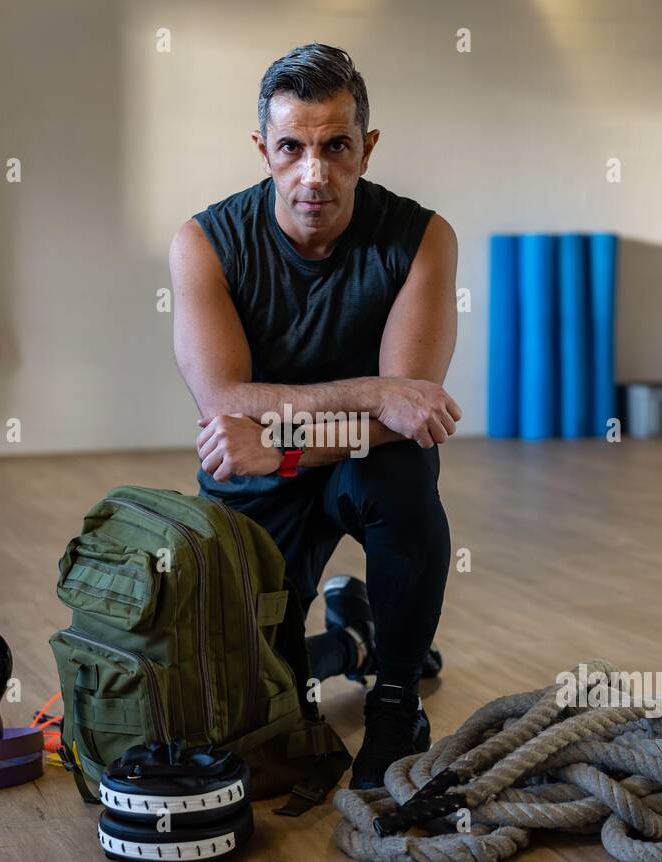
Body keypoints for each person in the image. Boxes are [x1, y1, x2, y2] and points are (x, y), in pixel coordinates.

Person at [169, 42, 460, 789]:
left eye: (336, 147)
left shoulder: (422, 238)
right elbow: (225, 405)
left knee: (401, 476)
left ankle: (396, 698)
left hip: (350, 466)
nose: (314, 174)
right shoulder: (204, 242)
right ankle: (352, 640)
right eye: (292, 147)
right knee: (256, 695)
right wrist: (372, 390)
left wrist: (285, 445)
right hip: (256, 480)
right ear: (263, 148)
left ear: (367, 147)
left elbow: (411, 419)